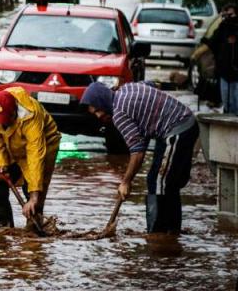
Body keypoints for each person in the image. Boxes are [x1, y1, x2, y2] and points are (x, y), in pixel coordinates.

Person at [81, 81, 199, 234]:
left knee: (159, 181)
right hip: (180, 126)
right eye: (94, 113)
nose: (99, 116)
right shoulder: (126, 88)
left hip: (178, 129)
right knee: (164, 181)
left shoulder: (119, 113)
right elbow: (152, 84)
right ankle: (172, 234)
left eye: (98, 110)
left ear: (103, 100)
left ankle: (158, 234)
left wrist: (126, 182)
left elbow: (137, 152)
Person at [0, 87, 61, 228]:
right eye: (1, 121)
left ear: (15, 111)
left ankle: (33, 229)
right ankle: (4, 227)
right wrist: (1, 165)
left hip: (43, 145)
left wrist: (34, 196)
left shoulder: (31, 114)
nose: (4, 124)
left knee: (32, 191)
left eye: (7, 120)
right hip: (11, 147)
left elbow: (35, 155)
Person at [206, 4, 238, 114]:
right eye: (226, 14)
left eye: (231, 14)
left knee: (235, 101)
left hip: (236, 72)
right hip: (224, 71)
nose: (229, 17)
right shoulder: (223, 27)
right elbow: (212, 43)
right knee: (227, 101)